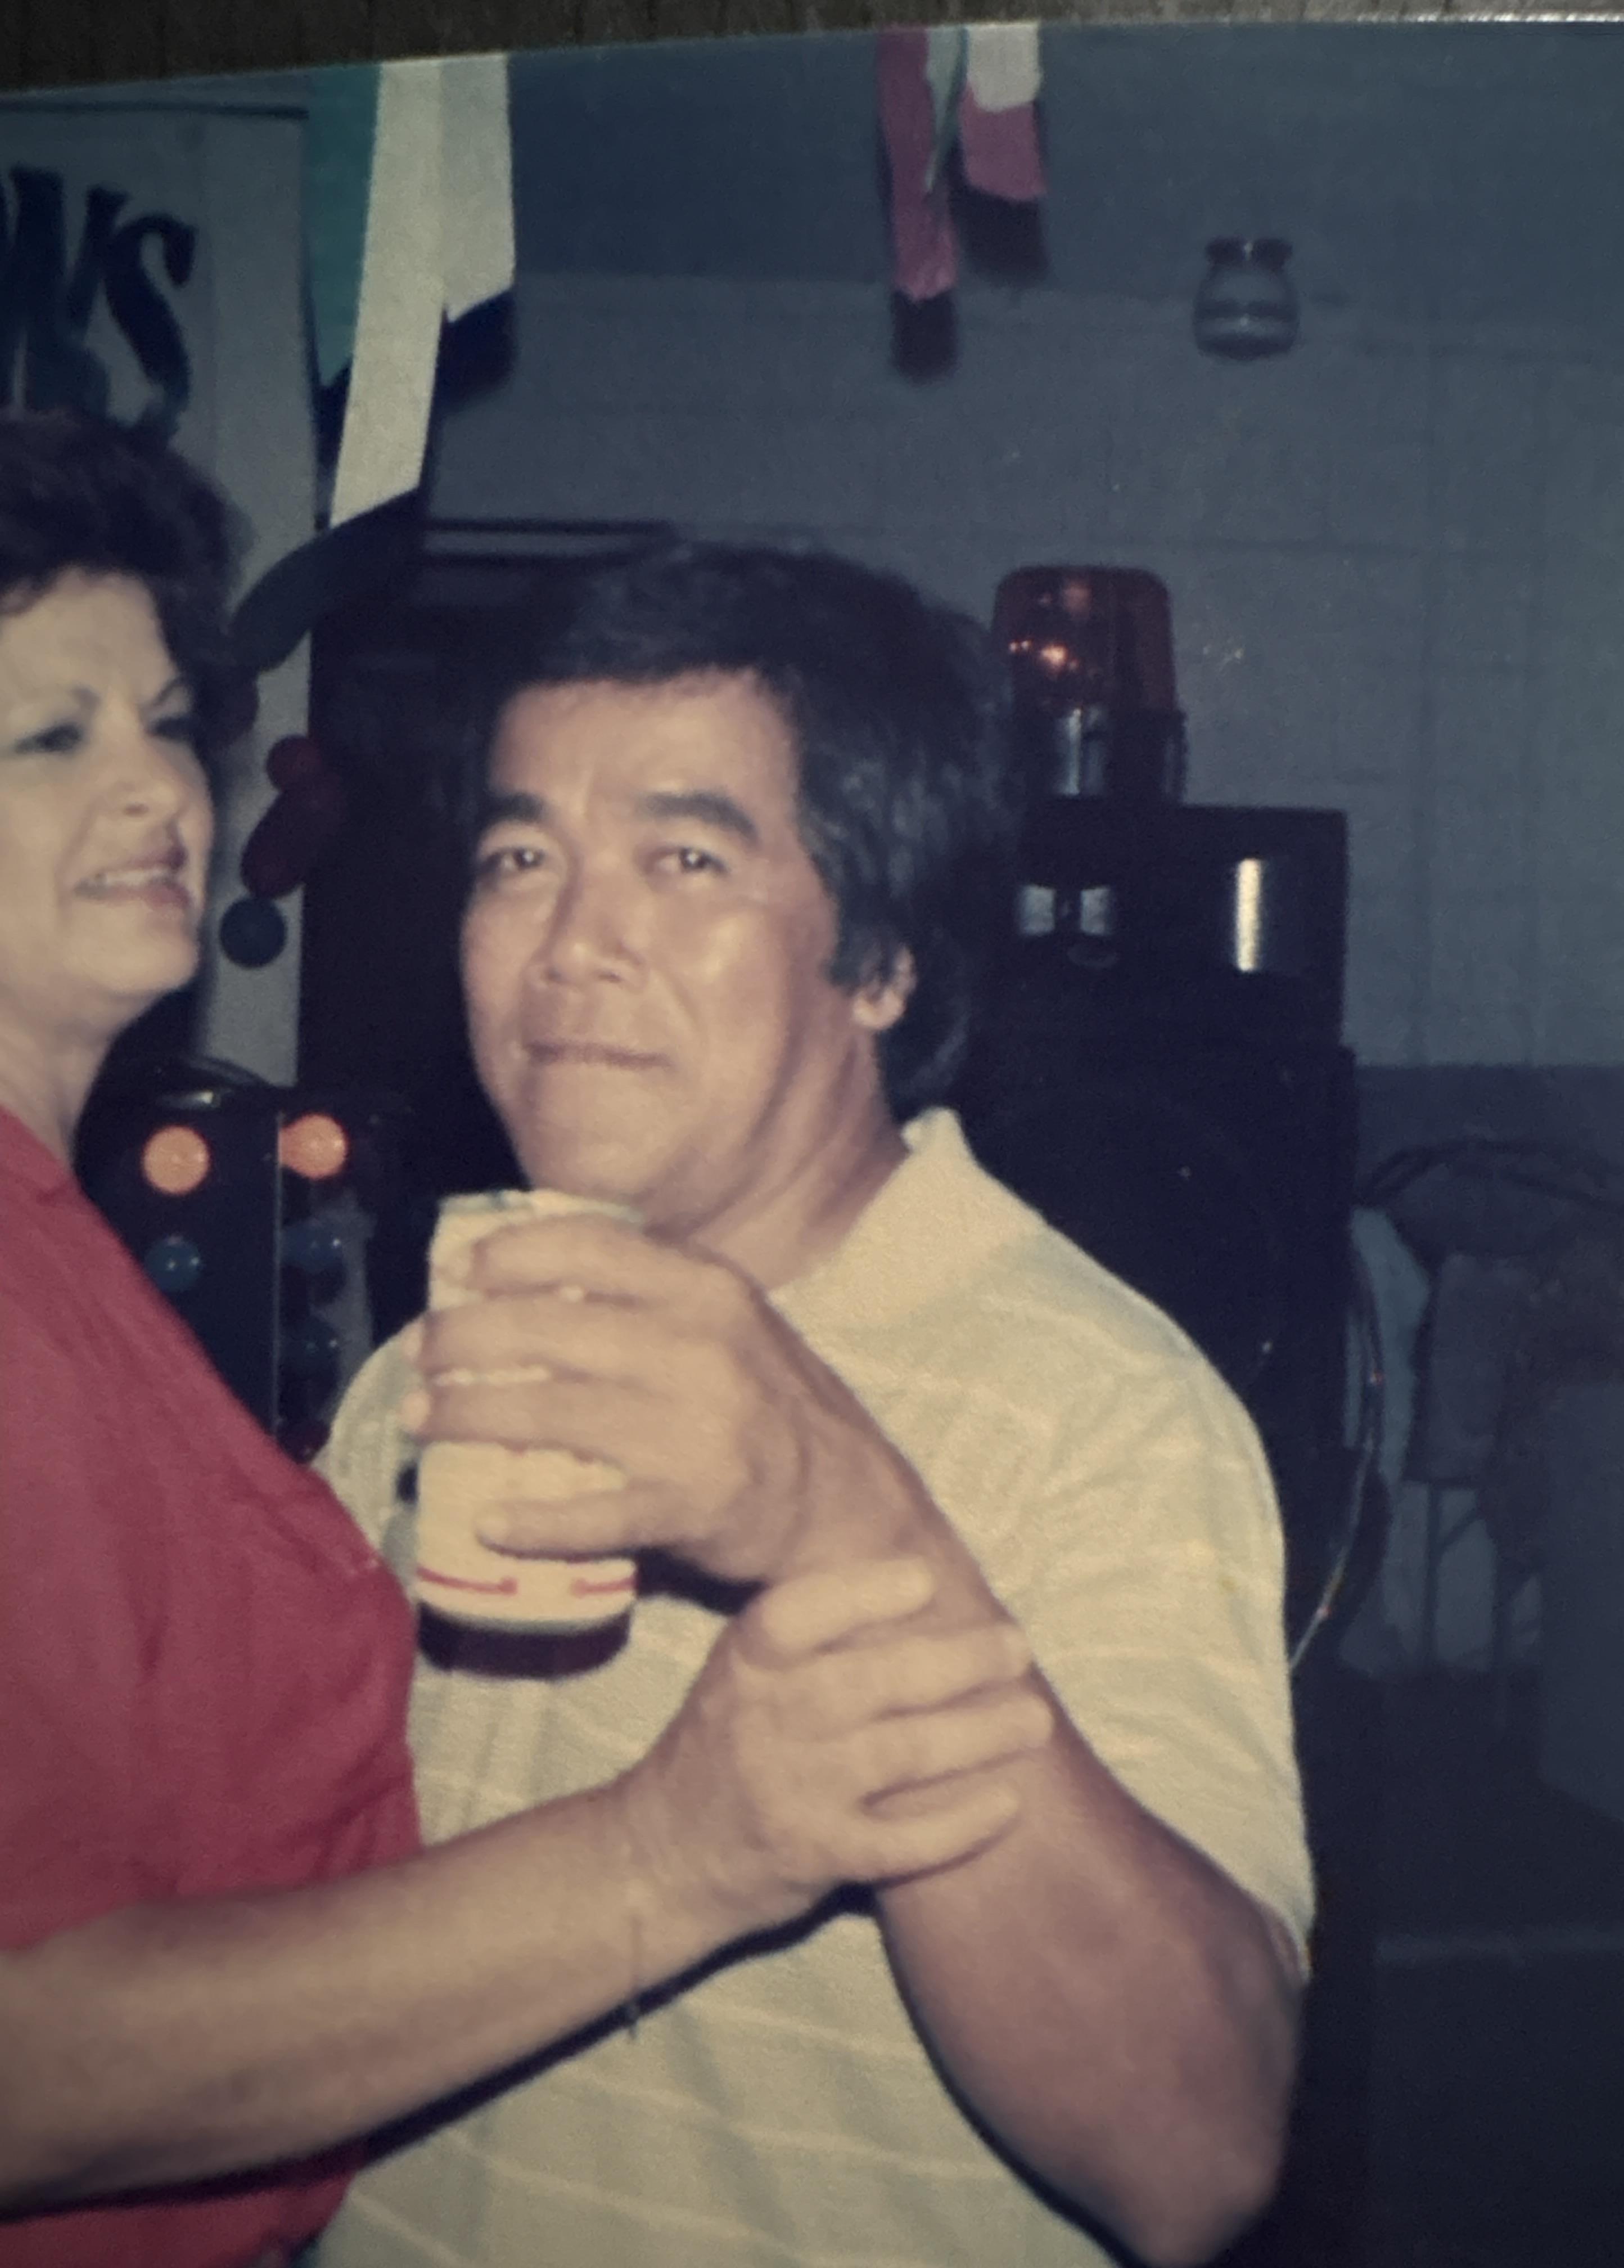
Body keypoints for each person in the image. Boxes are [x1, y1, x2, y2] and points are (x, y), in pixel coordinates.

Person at [0, 415, 1054, 2268]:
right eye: (47, 737)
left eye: (168, 721)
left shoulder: (85, 1257)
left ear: (884, 965)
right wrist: (683, 1851)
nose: (160, 797)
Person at [317, 544, 1314, 2268]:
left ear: (883, 963)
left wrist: (843, 1520)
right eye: (518, 856)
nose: (570, 944)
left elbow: (1197, 2154)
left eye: (685, 857)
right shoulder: (422, 1373)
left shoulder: (1097, 1409)